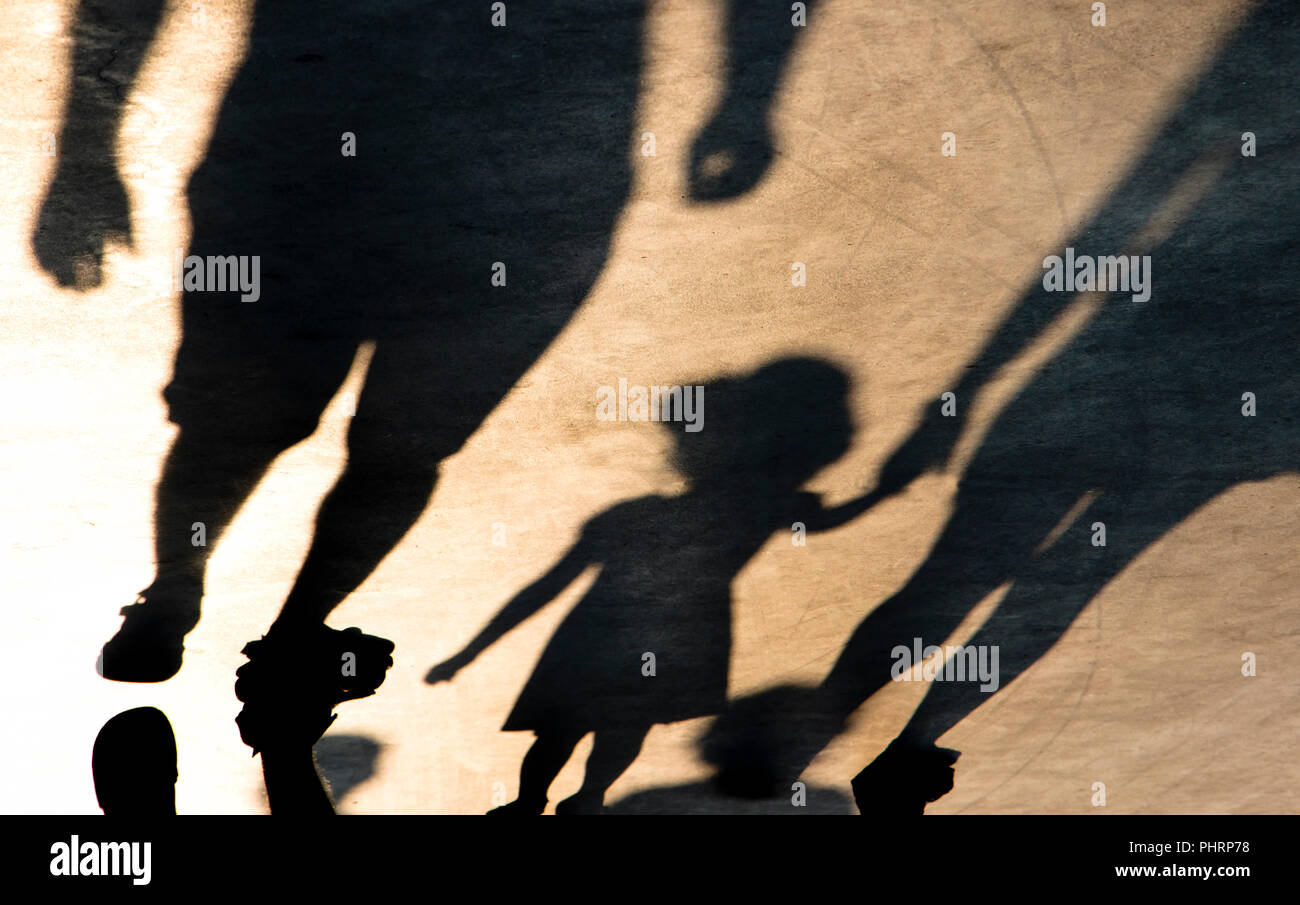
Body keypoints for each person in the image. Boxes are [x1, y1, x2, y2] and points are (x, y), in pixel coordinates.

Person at [427, 358, 879, 813]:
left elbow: (544, 589)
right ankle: (555, 798)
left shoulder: (699, 512)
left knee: (600, 724)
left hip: (641, 632)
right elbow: (544, 588)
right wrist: (467, 652)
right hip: (650, 633)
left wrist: (469, 652)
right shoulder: (718, 512)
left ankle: (568, 797)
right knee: (592, 724)